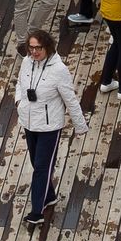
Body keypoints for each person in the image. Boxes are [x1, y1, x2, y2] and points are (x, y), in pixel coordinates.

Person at [16, 28, 87, 225]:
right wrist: (19, 101)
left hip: (49, 127)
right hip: (29, 122)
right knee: (37, 163)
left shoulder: (59, 70)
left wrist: (80, 125)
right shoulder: (26, 62)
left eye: (38, 48)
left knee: (41, 167)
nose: (34, 52)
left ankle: (37, 212)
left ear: (47, 47)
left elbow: (70, 99)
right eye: (31, 48)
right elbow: (19, 84)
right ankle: (49, 196)